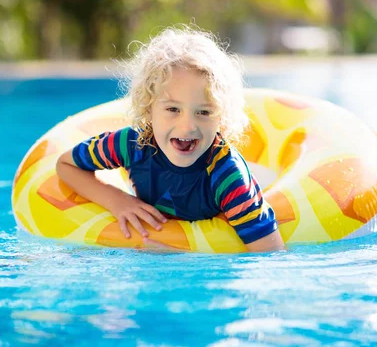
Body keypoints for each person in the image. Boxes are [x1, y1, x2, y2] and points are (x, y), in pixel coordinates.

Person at [56, 26, 284, 252]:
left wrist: (182, 256)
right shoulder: (132, 145)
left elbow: (270, 254)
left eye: (204, 112)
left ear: (221, 119)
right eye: (173, 109)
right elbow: (66, 164)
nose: (188, 126)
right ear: (148, 110)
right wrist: (116, 200)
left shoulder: (227, 177)